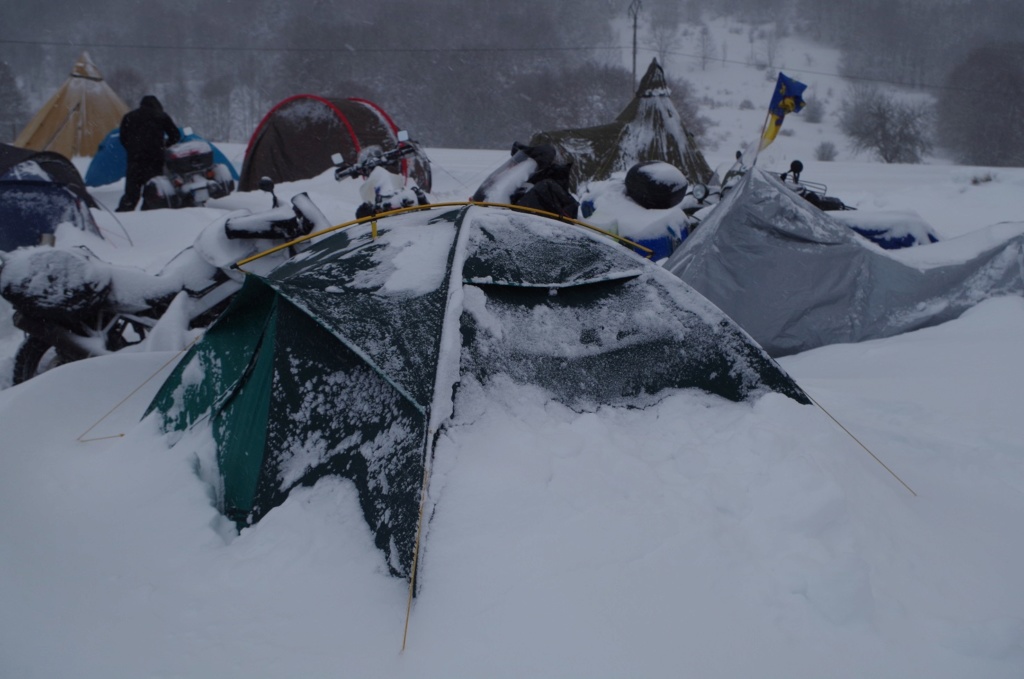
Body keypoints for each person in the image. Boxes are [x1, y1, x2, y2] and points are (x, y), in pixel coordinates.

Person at [116, 95, 180, 212]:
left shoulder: (129, 117)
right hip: (154, 160)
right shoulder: (161, 116)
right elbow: (175, 135)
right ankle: (148, 217)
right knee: (152, 192)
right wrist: (164, 145)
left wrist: (133, 149)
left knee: (131, 194)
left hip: (134, 161)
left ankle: (123, 217)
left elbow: (123, 138)